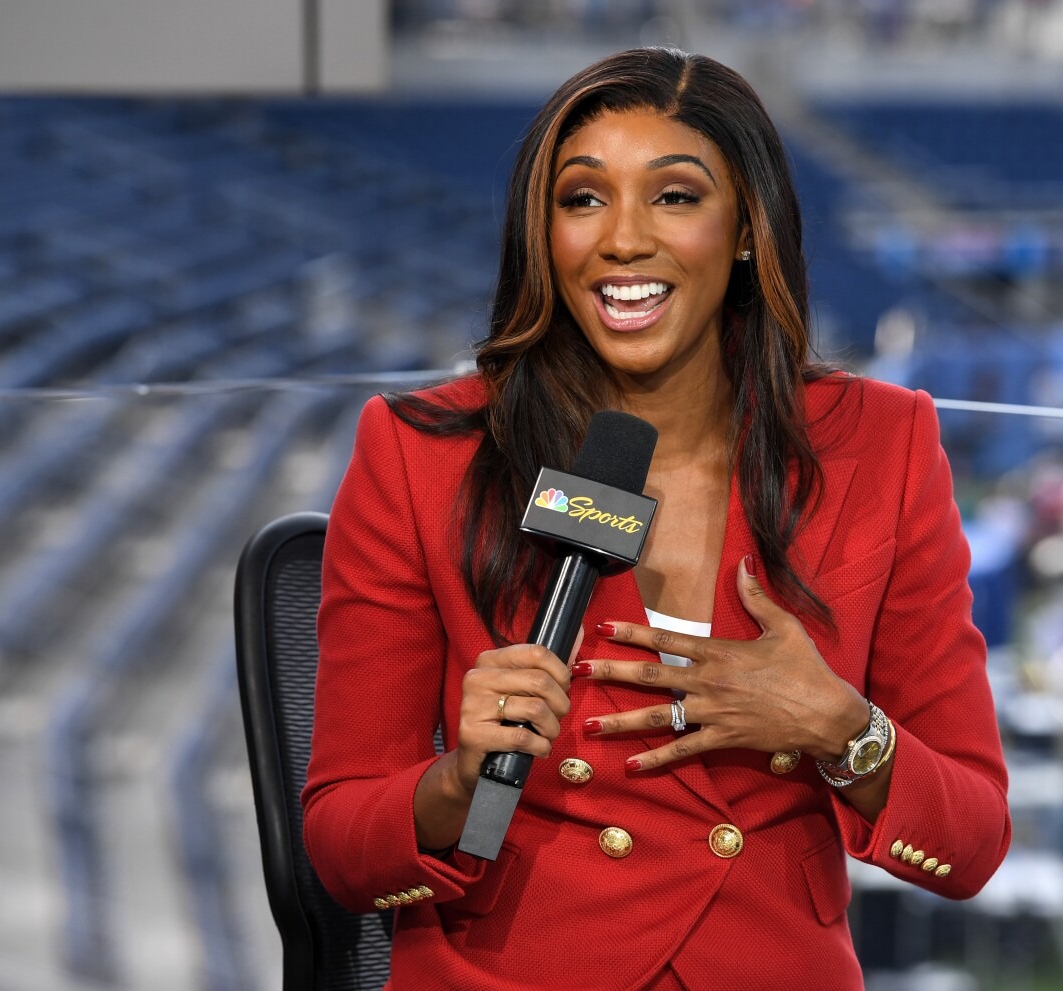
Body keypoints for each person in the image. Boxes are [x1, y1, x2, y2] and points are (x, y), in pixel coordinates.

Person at [302, 47, 1010, 990]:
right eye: (583, 198)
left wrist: (843, 729)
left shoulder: (882, 443)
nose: (623, 239)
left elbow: (972, 842)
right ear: (542, 232)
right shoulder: (420, 451)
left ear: (747, 227)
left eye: (675, 196)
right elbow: (342, 847)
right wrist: (456, 782)